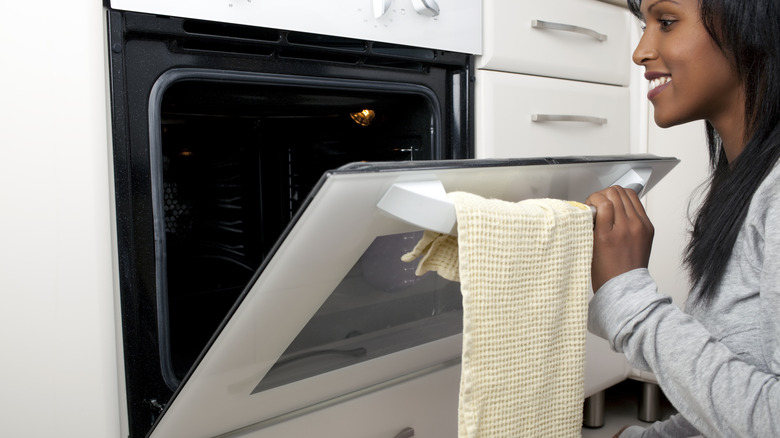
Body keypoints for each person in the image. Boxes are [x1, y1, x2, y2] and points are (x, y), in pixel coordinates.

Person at [585, 0, 780, 436]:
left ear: (754, 26)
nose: (640, 51)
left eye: (667, 23)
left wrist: (631, 299)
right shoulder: (743, 185)